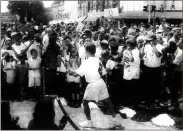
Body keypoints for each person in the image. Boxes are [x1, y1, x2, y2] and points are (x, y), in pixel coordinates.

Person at [68, 43, 117, 128]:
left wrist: (68, 67)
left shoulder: (87, 62)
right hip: (101, 82)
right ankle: (115, 120)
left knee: (85, 102)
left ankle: (89, 122)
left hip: (93, 83)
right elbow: (104, 72)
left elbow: (76, 73)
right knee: (108, 101)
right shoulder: (98, 60)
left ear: (87, 51)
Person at [122, 38, 140, 108]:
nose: (127, 46)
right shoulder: (126, 51)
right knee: (127, 87)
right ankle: (128, 102)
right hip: (127, 71)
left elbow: (132, 60)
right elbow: (123, 61)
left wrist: (130, 52)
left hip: (134, 72)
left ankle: (134, 103)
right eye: (127, 45)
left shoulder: (136, 51)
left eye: (128, 45)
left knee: (133, 88)